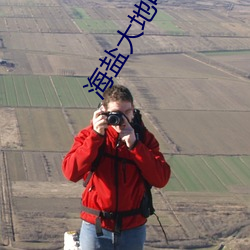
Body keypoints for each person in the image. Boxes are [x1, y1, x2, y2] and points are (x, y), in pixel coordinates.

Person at [62, 84, 171, 250]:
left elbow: (161, 178)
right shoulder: (90, 135)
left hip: (132, 228)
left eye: (127, 112)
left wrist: (135, 146)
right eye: (117, 114)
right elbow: (71, 172)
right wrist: (96, 137)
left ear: (133, 110)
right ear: (104, 111)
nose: (123, 119)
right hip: (97, 226)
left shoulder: (144, 139)